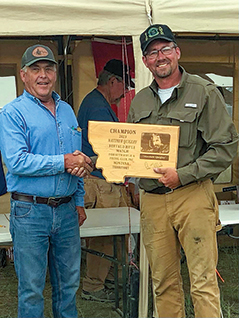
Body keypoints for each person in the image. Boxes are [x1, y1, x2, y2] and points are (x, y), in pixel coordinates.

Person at [127, 24, 239, 317]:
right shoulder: (139, 101)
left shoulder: (203, 92)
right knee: (163, 282)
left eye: (165, 49)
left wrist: (184, 174)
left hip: (192, 195)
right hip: (152, 200)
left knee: (202, 282)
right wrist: (120, 166)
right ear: (145, 61)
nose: (159, 57)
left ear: (177, 52)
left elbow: (225, 148)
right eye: (152, 53)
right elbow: (129, 149)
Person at [0, 44, 93, 318]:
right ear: (23, 75)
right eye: (35, 69)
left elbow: (75, 157)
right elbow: (17, 161)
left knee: (68, 287)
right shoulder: (12, 113)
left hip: (66, 212)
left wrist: (78, 201)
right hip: (30, 212)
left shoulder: (67, 111)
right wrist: (64, 161)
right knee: (31, 289)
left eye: (49, 68)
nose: (43, 75)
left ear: (55, 73)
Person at [77, 59, 135, 302]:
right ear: (113, 81)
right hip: (101, 181)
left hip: (101, 180)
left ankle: (110, 278)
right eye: (124, 87)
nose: (124, 94)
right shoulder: (99, 107)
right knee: (104, 238)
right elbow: (111, 147)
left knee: (114, 237)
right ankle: (93, 287)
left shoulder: (94, 102)